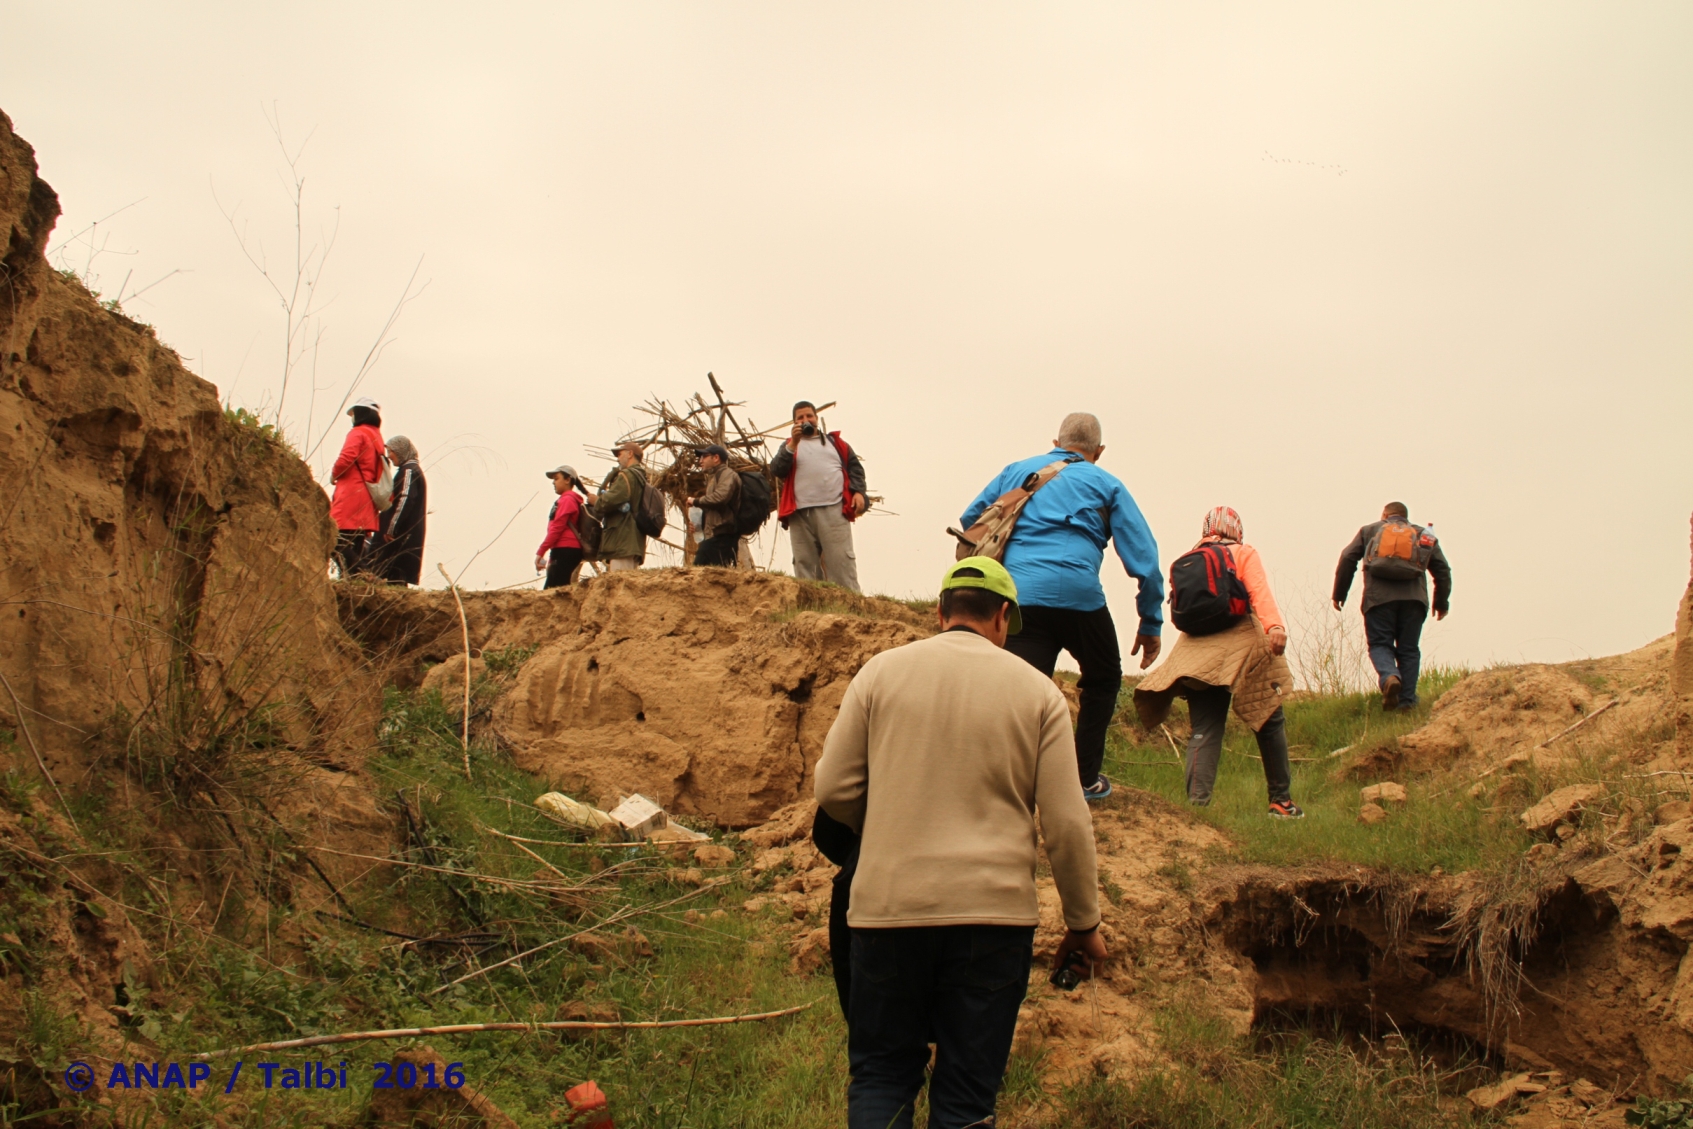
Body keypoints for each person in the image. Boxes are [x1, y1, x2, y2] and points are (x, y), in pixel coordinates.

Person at [815, 557, 1105, 1129]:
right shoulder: (1039, 693)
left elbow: (834, 789)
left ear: (940, 612)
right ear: (1002, 617)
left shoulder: (880, 673)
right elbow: (1067, 825)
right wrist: (1083, 923)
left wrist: (885, 828)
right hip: (993, 924)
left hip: (887, 911)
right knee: (967, 1099)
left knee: (881, 1075)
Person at [959, 412, 1163, 802]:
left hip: (1021, 597)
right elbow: (1147, 563)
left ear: (1056, 442)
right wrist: (1150, 623)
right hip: (1080, 599)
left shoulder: (1017, 471)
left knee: (1019, 690)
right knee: (1103, 679)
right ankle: (1083, 780)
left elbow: (973, 519)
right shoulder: (1107, 484)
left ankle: (1006, 781)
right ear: (1098, 451)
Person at [1131, 507, 1303, 818]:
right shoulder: (1243, 553)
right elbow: (1259, 592)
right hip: (1243, 643)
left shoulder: (1188, 559)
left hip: (1196, 652)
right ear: (1236, 530)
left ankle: (1197, 809)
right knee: (1268, 716)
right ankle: (1281, 802)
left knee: (1205, 728)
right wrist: (1274, 626)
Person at [1332, 501, 1452, 711]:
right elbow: (1442, 569)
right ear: (1405, 516)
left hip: (1378, 600)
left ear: (1384, 515)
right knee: (1409, 649)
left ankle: (1389, 676)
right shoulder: (1423, 535)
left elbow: (1347, 557)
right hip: (1414, 600)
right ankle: (1406, 703)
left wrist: (1339, 593)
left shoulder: (1370, 531)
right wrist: (1441, 602)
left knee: (1380, 644)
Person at [770, 401, 867, 592]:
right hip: (799, 512)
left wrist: (858, 492)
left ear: (816, 418)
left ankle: (850, 604)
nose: (806, 420)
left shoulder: (836, 444)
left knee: (841, 561)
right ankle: (812, 606)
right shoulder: (789, 446)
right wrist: (793, 443)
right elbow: (777, 470)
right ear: (794, 423)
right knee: (805, 564)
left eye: (809, 416)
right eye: (800, 418)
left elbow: (856, 470)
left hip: (834, 508)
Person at [329, 397, 385, 579]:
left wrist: (334, 474)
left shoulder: (358, 433)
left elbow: (346, 458)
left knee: (334, 540)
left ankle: (363, 574)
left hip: (351, 495)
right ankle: (354, 580)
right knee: (357, 543)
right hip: (367, 497)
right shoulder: (377, 437)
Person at [372, 435, 426, 586]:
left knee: (394, 572)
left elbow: (405, 499)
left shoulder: (409, 471)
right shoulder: (411, 470)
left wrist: (392, 527)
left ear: (401, 451)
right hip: (402, 533)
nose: (389, 456)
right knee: (396, 578)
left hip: (400, 534)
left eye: (392, 452)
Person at [592, 442, 649, 572]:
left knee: (620, 581)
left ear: (630, 454)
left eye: (619, 454)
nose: (617, 459)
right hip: (633, 541)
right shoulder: (641, 477)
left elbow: (608, 501)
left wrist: (597, 501)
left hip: (622, 541)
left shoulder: (627, 475)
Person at [685, 444, 742, 568]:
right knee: (714, 573)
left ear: (716, 458)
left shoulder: (727, 474)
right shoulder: (714, 477)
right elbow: (715, 510)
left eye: (704, 457)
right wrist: (700, 525)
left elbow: (720, 498)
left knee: (698, 570)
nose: (700, 461)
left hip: (723, 535)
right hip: (714, 535)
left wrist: (695, 501)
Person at [535, 465, 587, 590]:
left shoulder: (567, 500)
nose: (553, 482)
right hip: (564, 549)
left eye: (556, 478)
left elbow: (557, 528)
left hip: (565, 549)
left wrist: (541, 551)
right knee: (558, 587)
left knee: (554, 590)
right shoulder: (568, 499)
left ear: (567, 480)